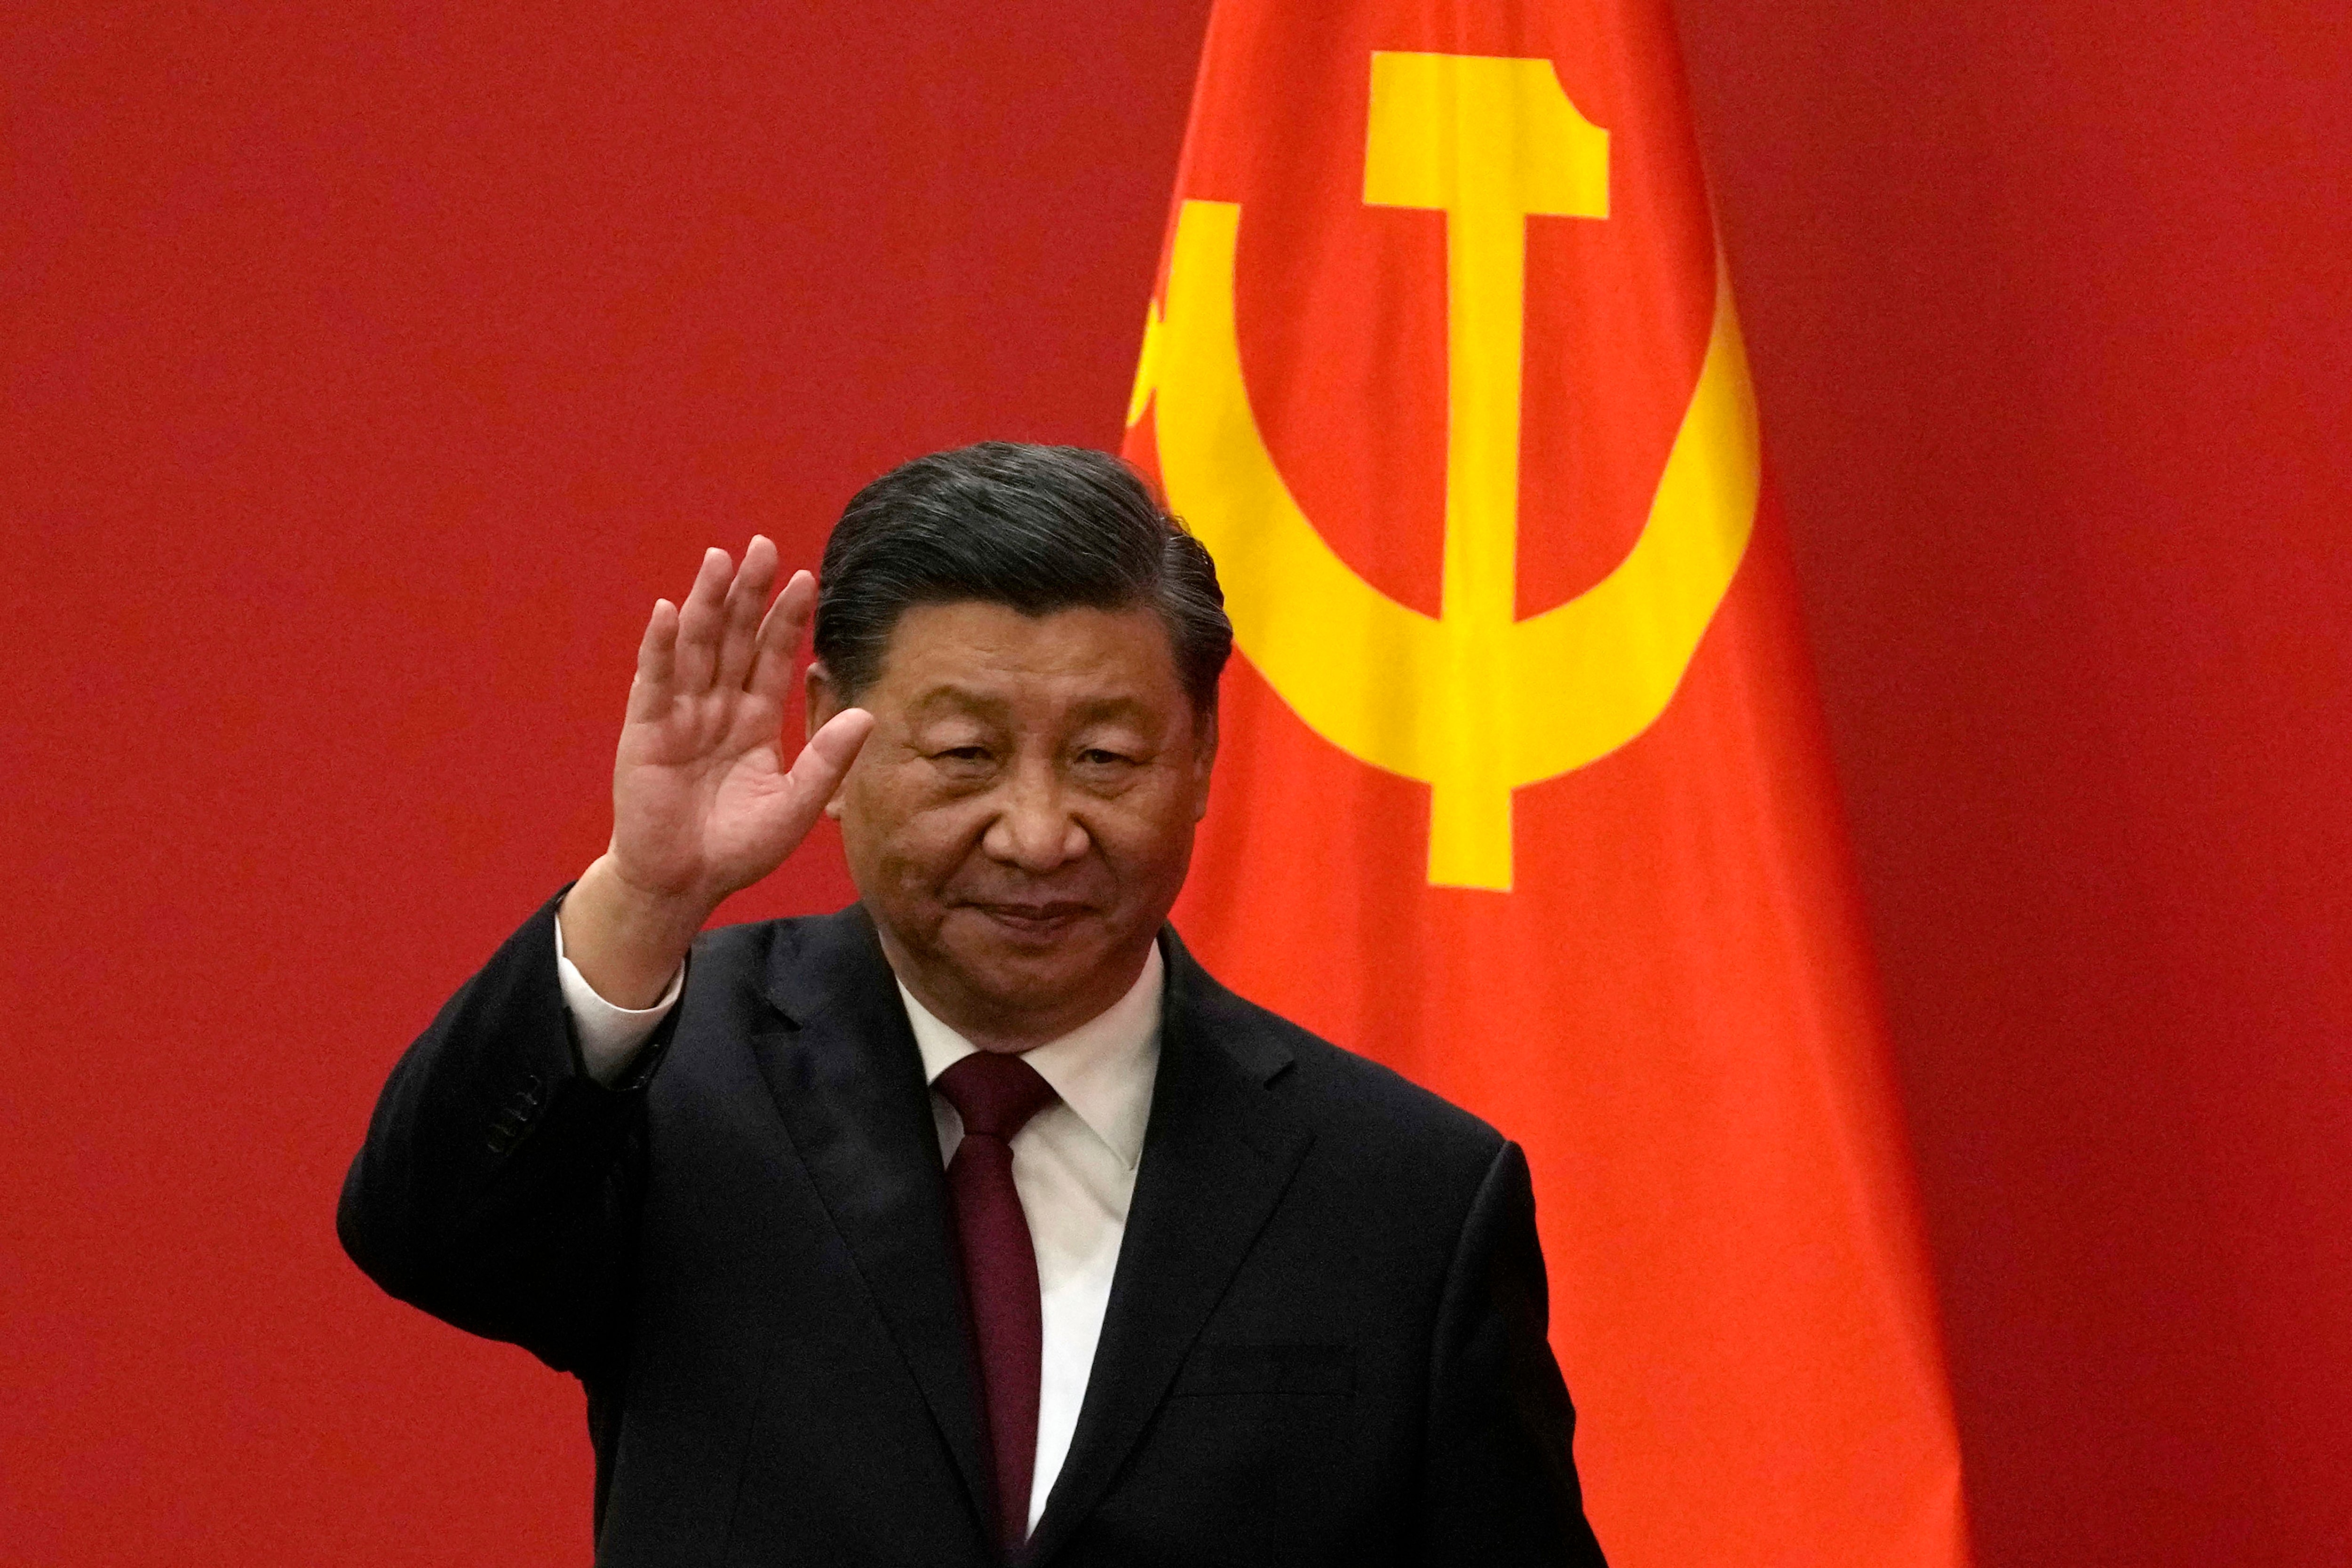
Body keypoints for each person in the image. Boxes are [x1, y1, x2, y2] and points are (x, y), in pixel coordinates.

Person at [339, 442, 1607, 1566]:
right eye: (967, 757)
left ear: (1204, 757)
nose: (1042, 833)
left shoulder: (1404, 1198)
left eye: (1107, 758)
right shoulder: (680, 1078)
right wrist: (647, 896)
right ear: (834, 733)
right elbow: (423, 1229)